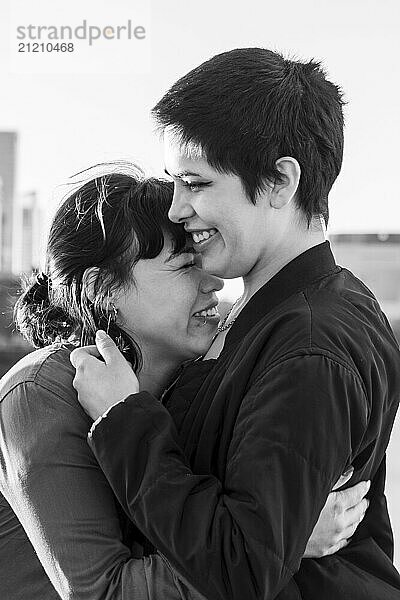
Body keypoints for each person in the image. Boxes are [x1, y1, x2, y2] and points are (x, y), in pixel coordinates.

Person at [72, 49, 400, 599]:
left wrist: (124, 422)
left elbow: (242, 568)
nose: (177, 209)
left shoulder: (311, 346)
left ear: (278, 182)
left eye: (196, 185)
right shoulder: (264, 316)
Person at [0, 165, 361, 600]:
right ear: (105, 290)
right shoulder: (42, 394)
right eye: (187, 265)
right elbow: (102, 593)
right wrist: (277, 544)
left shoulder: (188, 388)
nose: (214, 283)